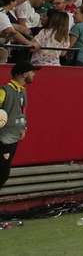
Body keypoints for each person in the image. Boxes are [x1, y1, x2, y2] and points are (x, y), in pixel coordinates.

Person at [0, 61, 34, 193]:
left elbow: (21, 113)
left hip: (14, 137)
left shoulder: (22, 92)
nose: (34, 75)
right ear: (24, 74)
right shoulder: (4, 91)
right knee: (2, 173)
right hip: (3, 138)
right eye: (32, 72)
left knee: (4, 173)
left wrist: (23, 128)